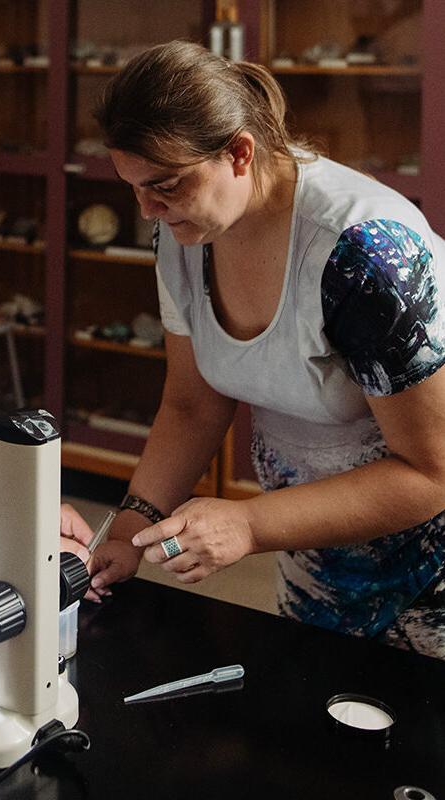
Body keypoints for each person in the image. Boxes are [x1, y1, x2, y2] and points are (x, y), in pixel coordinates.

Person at [84, 40, 445, 661]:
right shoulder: (184, 232)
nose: (147, 209)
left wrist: (249, 523)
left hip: (432, 570)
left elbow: (432, 471)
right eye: (135, 188)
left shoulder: (365, 255)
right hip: (315, 552)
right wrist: (131, 525)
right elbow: (193, 403)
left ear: (240, 152)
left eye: (165, 185)